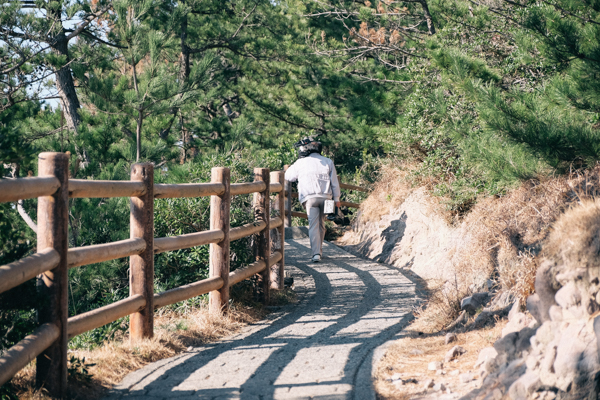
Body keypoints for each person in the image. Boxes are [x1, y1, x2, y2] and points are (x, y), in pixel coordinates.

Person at [285, 136, 341, 262]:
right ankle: (319, 251)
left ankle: (316, 254)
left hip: (310, 197)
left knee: (314, 225)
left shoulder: (300, 162)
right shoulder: (327, 161)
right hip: (328, 197)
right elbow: (334, 182)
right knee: (322, 224)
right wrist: (337, 199)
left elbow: (288, 176)